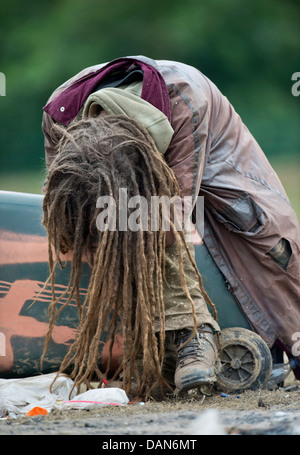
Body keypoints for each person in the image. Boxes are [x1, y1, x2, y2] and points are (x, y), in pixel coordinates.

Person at [41, 56, 300, 400]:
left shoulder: (185, 100)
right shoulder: (59, 116)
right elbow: (56, 206)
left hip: (214, 149)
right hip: (112, 166)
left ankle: (195, 334)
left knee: (270, 248)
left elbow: (169, 217)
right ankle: (154, 352)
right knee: (111, 228)